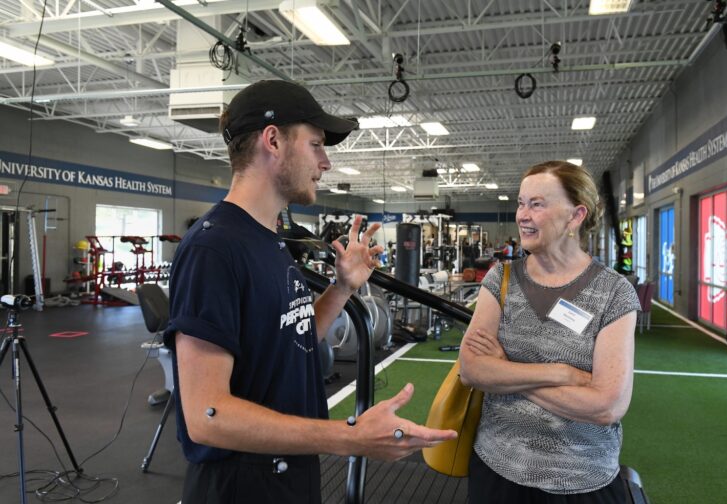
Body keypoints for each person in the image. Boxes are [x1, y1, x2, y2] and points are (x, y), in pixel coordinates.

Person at [163, 80, 456, 504]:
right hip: (240, 486)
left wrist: (342, 288)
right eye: (317, 144)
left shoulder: (269, 240)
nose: (326, 162)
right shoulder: (214, 248)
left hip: (289, 471)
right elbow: (207, 417)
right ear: (273, 140)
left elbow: (290, 341)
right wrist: (349, 436)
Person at [459, 160, 640, 503]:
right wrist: (562, 374)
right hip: (496, 472)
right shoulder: (501, 279)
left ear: (575, 216)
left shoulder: (614, 293)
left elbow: (606, 406)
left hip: (583, 481)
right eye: (521, 203)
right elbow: (471, 369)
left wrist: (505, 370)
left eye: (537, 204)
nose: (522, 215)